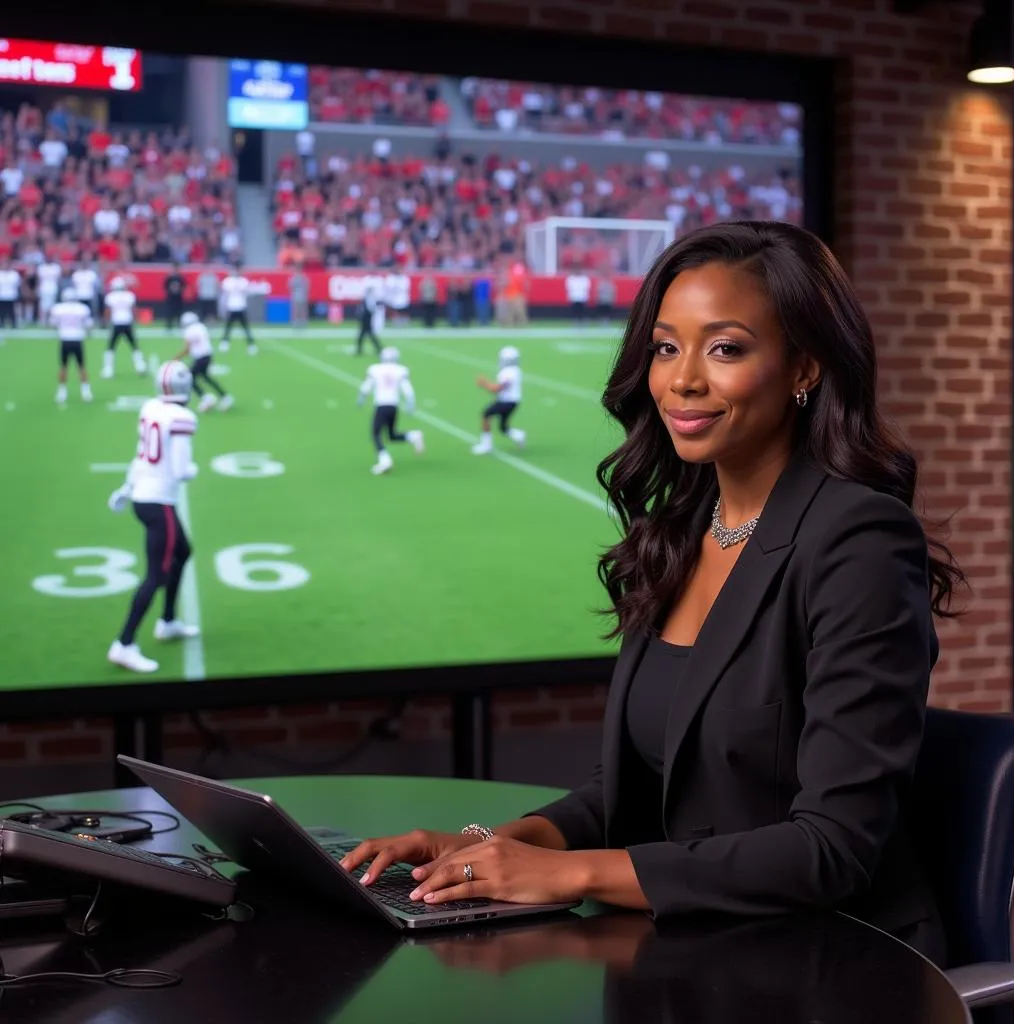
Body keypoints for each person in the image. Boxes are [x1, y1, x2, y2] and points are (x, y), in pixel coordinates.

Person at [338, 221, 964, 967]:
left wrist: (566, 872)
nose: (682, 380)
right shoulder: (679, 530)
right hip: (687, 948)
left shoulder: (858, 539)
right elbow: (627, 792)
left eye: (725, 348)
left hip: (832, 964)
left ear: (805, 368)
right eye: (667, 347)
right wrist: (494, 845)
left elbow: (830, 849)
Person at [106, 360, 201, 674]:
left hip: (144, 497)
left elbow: (140, 453)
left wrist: (126, 486)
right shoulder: (182, 417)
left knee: (183, 552)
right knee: (156, 575)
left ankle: (169, 621)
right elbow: (181, 470)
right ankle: (124, 643)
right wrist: (196, 468)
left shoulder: (150, 408)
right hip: (159, 501)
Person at [356, 346, 424, 475]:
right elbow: (408, 390)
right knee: (391, 435)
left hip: (381, 405)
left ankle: (385, 460)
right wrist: (410, 404)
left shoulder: (375, 369)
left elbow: (366, 387)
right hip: (393, 406)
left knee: (375, 434)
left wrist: (361, 399)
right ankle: (413, 436)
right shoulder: (400, 370)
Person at [471, 346, 526, 455]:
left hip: (507, 402)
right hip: (513, 401)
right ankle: (519, 435)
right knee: (503, 428)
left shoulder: (508, 372)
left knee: (486, 415)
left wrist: (484, 383)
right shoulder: (516, 371)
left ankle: (486, 445)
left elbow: (497, 389)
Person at [176, 312, 232, 413]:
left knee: (189, 378)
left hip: (200, 358)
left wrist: (176, 358)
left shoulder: (189, 330)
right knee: (206, 377)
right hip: (208, 355)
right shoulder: (201, 326)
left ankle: (206, 398)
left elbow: (187, 349)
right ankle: (224, 396)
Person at [51, 285, 93, 405]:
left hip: (64, 339)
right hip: (77, 339)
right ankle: (86, 392)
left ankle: (62, 392)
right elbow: (89, 325)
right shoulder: (82, 308)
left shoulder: (58, 308)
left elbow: (53, 324)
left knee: (63, 367)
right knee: (81, 367)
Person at [102, 275, 146, 378]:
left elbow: (108, 311)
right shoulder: (129, 295)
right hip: (127, 323)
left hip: (116, 323)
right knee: (134, 346)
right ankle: (140, 366)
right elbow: (133, 310)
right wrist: (136, 319)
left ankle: (108, 369)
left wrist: (105, 321)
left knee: (111, 347)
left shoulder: (111, 296)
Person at [219, 265, 257, 354]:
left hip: (241, 306)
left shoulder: (243, 281)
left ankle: (251, 345)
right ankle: (225, 343)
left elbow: (247, 291)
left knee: (245, 328)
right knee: (228, 327)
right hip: (231, 306)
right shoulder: (228, 281)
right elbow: (225, 292)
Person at [355, 282, 382, 356]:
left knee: (366, 334)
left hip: (367, 318)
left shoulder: (370, 298)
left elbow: (371, 308)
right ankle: (378, 348)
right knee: (366, 334)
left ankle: (378, 348)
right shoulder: (369, 297)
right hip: (366, 317)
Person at [164, 262, 186, 330]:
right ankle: (169, 326)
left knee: (179, 312)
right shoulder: (169, 278)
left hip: (178, 297)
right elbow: (165, 287)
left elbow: (184, 286)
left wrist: (179, 291)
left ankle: (179, 325)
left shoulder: (180, 278)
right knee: (170, 311)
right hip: (171, 297)